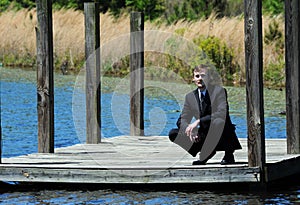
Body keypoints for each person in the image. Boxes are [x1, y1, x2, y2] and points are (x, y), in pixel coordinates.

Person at [169, 64, 242, 165]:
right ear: (193, 79)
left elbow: (222, 113)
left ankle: (223, 154)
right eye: (197, 76)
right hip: (203, 134)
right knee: (173, 133)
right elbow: (182, 119)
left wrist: (198, 121)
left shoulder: (219, 91)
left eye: (203, 76)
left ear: (209, 78)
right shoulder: (190, 97)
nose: (200, 79)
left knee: (218, 121)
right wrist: (191, 130)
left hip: (221, 135)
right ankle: (201, 150)